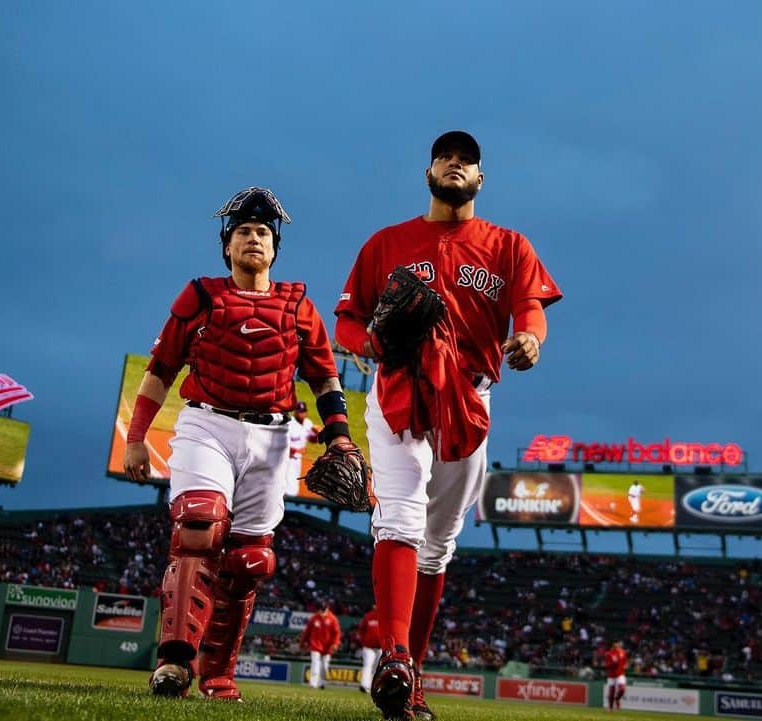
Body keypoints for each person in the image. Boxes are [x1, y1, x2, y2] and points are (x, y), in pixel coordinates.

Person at [334, 130, 562, 721]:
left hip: (469, 396)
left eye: (466, 160)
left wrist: (532, 338)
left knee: (438, 547)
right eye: (445, 157)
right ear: (428, 171)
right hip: (400, 389)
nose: (454, 164)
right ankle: (396, 656)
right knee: (402, 515)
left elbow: (530, 305)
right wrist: (369, 344)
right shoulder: (387, 242)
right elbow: (348, 321)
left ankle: (408, 682)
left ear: (480, 179)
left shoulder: (506, 244)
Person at [122, 187, 359, 702]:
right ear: (226, 246)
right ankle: (173, 662)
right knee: (198, 529)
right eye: (244, 232)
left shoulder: (299, 306)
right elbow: (161, 371)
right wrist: (136, 438)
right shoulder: (200, 297)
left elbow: (323, 379)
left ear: (275, 249)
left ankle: (218, 674)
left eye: (263, 234)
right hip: (207, 425)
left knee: (250, 560)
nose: (254, 239)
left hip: (272, 435)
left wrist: (339, 436)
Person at [300, 599, 342, 689]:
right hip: (316, 645)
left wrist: (335, 644)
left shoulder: (332, 618)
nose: (321, 611)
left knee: (324, 665)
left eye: (323, 609)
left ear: (327, 608)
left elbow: (337, 633)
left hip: (328, 646)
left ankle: (321, 683)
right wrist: (302, 643)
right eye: (320, 609)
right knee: (315, 663)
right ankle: (313, 683)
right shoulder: (314, 618)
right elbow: (307, 632)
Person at [285, 401, 318, 496]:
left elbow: (312, 439)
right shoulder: (289, 424)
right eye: (300, 412)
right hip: (288, 460)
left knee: (294, 484)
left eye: (303, 411)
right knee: (289, 489)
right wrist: (297, 451)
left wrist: (317, 434)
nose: (302, 414)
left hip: (297, 461)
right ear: (295, 412)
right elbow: (283, 445)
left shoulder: (308, 423)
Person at [359, 605, 382, 693]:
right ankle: (364, 685)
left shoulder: (384, 617)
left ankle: (374, 686)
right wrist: (364, 642)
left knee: (377, 668)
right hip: (368, 647)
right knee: (367, 665)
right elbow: (361, 630)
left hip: (380, 648)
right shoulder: (368, 616)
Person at [605, 640, 629, 711]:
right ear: (612, 645)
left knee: (622, 689)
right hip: (611, 674)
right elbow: (607, 665)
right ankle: (610, 708)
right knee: (611, 692)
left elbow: (626, 661)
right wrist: (613, 664)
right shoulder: (608, 654)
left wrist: (626, 665)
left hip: (620, 674)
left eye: (618, 643)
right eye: (615, 644)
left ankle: (617, 699)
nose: (617, 645)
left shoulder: (623, 652)